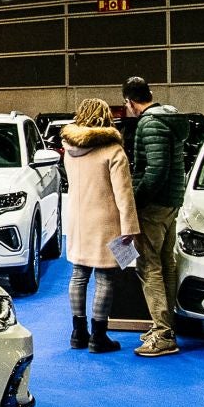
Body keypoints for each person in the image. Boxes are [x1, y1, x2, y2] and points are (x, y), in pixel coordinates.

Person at [59, 98, 139, 353]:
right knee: (105, 278)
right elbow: (123, 195)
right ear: (106, 117)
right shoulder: (113, 151)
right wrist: (130, 228)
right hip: (106, 221)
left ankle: (77, 332)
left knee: (78, 275)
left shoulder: (69, 149)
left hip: (78, 219)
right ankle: (98, 336)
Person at [123, 76, 189, 358]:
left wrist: (135, 200)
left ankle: (162, 334)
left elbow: (154, 171)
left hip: (154, 205)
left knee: (149, 266)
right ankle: (166, 325)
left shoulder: (150, 123)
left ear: (130, 102)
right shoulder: (171, 118)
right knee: (166, 262)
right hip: (172, 201)